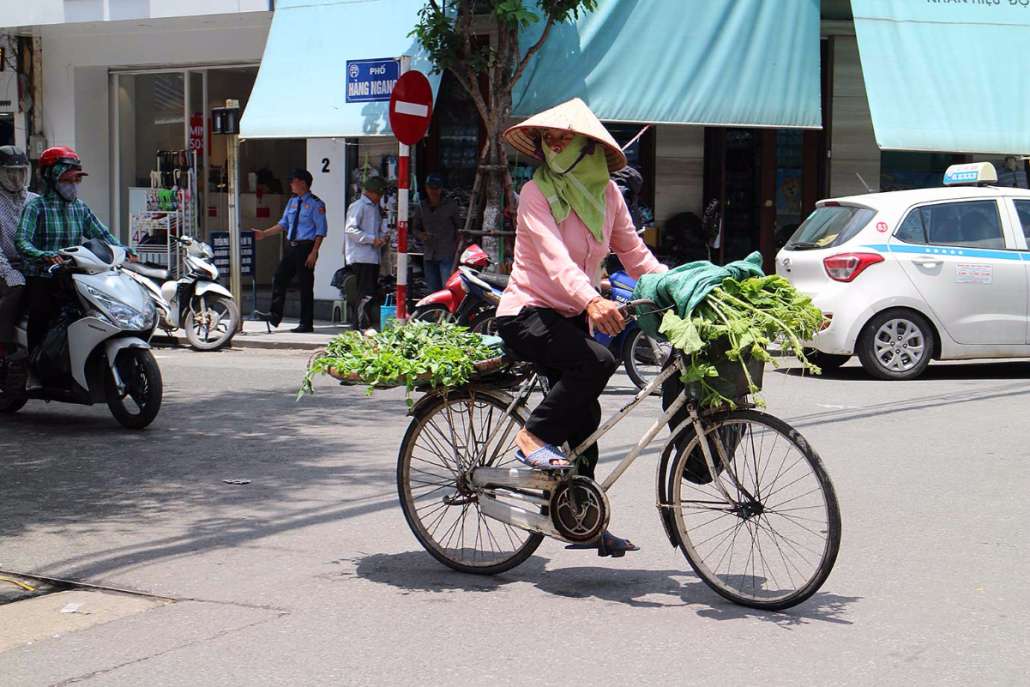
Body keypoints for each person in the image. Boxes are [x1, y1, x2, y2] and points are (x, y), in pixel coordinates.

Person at [495, 98, 667, 557]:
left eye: (563, 136)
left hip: (569, 314)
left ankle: (581, 520)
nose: (554, 144)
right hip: (527, 311)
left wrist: (675, 286)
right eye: (548, 138)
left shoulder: (608, 194)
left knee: (586, 420)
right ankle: (531, 435)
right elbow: (553, 260)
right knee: (598, 361)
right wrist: (591, 299)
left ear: (588, 145)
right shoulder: (536, 193)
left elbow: (635, 255)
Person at [16, 146, 133, 365]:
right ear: (52, 178)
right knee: (41, 315)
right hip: (43, 275)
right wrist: (44, 255)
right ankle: (35, 366)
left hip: (74, 276)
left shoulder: (80, 208)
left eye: (76, 181)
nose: (72, 186)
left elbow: (102, 233)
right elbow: (22, 241)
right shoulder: (36, 207)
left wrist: (123, 249)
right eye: (67, 180)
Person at [253, 169, 327, 333]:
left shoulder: (316, 204)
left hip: (307, 247)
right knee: (279, 277)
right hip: (292, 247)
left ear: (302, 182)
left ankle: (306, 323)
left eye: (293, 181)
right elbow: (283, 224)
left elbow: (321, 231)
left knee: (305, 285)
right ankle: (274, 316)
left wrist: (314, 252)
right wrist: (264, 234)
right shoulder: (292, 202)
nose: (291, 184)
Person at [0, 146, 35, 357]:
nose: (16, 177)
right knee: (17, 285)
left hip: (31, 263)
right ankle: (3, 343)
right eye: (9, 172)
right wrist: (7, 271)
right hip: (4, 265)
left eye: (20, 171)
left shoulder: (34, 200)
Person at [344, 176, 387, 327]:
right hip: (361, 257)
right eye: (379, 194)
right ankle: (360, 324)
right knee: (365, 293)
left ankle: (362, 322)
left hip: (372, 257)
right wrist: (371, 239)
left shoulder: (375, 208)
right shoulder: (359, 206)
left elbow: (378, 229)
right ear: (371, 192)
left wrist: (381, 238)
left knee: (368, 292)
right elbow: (350, 230)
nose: (380, 198)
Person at [413, 173, 461, 293]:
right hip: (429, 254)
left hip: (447, 253)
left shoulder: (451, 205)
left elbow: (459, 228)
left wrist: (457, 249)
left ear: (441, 189)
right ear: (426, 188)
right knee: (433, 291)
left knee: (448, 289)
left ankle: (447, 312)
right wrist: (421, 235)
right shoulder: (421, 207)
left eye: (436, 188)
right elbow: (415, 228)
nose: (433, 191)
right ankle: (435, 312)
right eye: (431, 188)